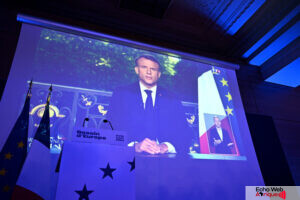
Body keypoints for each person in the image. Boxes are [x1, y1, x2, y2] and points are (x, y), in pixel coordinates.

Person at [107, 55, 191, 155]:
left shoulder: (172, 98)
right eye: (144, 67)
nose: (149, 72)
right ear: (137, 70)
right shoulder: (121, 94)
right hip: (128, 157)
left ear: (159, 74)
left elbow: (185, 133)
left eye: (153, 69)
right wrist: (134, 146)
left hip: (164, 159)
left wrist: (166, 146)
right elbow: (109, 129)